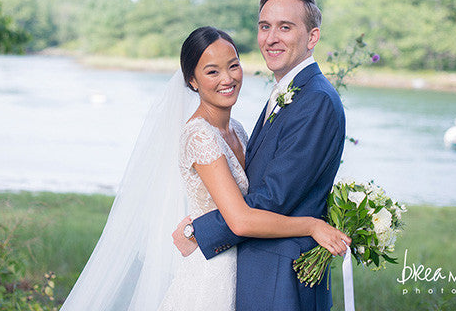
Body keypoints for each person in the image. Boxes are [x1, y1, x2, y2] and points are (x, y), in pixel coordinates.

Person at [59, 24, 348, 311]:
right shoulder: (200, 136)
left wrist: (195, 227)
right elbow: (241, 220)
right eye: (212, 71)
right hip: (214, 273)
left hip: (246, 265)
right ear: (193, 81)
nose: (227, 78)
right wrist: (312, 225)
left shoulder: (238, 130)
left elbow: (260, 192)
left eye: (233, 66)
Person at [172, 0, 347, 311]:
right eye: (265, 26)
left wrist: (200, 228)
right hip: (244, 270)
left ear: (312, 37)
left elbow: (274, 197)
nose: (271, 38)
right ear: (193, 80)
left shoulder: (315, 99)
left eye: (285, 27)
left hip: (280, 274)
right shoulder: (287, 94)